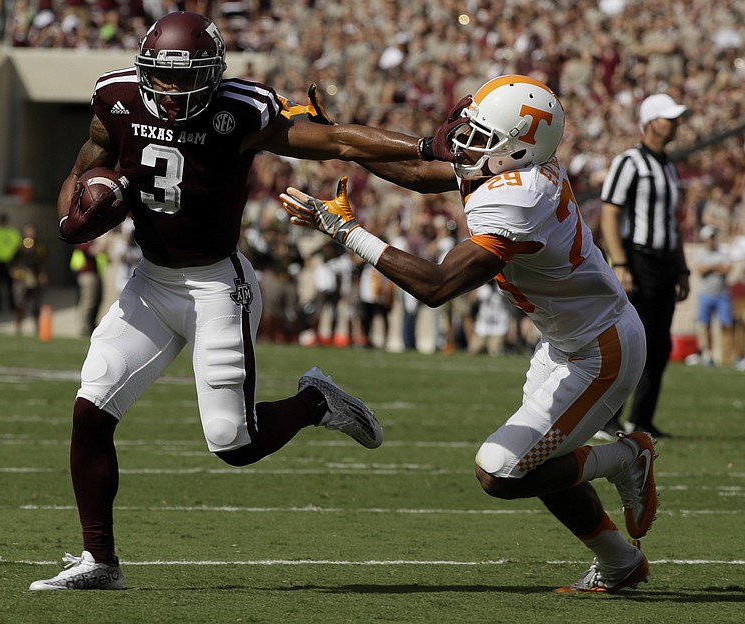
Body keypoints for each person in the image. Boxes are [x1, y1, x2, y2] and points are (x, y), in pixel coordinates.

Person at [29, 11, 447, 591]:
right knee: (90, 412)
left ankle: (314, 402)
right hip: (149, 284)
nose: (172, 90)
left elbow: (340, 140)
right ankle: (98, 561)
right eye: (163, 77)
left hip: (216, 286)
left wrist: (424, 144)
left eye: (186, 78)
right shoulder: (117, 96)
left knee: (234, 442)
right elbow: (81, 171)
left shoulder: (240, 111)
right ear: (145, 70)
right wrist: (70, 220)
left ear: (214, 73)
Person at [282, 75, 658, 593]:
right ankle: (619, 563)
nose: (463, 139)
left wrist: (344, 230)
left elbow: (437, 286)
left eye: (481, 133)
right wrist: (336, 135)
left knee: (500, 471)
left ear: (518, 148)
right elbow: (415, 168)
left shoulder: (522, 196)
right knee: (537, 459)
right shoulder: (511, 164)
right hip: (567, 341)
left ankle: (627, 455)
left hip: (601, 349)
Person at [597, 93, 691, 440]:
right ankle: (609, 417)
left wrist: (682, 269)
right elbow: (610, 212)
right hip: (638, 258)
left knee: (661, 344)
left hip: (665, 261)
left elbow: (672, 221)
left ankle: (642, 418)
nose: (676, 124)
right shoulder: (629, 162)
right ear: (650, 122)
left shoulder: (668, 165)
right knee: (637, 341)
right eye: (669, 118)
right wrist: (619, 261)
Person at [693, 224, 743, 369]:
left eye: (713, 237)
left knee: (727, 325)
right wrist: (716, 266)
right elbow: (701, 270)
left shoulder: (723, 253)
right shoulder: (701, 254)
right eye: (710, 237)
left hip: (722, 295)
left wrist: (710, 267)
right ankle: (707, 355)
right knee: (705, 325)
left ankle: (735, 356)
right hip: (705, 295)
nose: (712, 240)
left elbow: (726, 269)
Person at [8, 223, 48, 335]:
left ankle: (37, 326)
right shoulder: (20, 246)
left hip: (34, 275)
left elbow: (43, 260)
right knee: (19, 302)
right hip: (22, 275)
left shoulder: (40, 246)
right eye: (28, 231)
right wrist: (14, 271)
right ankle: (18, 326)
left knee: (36, 302)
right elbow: (12, 261)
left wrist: (42, 273)